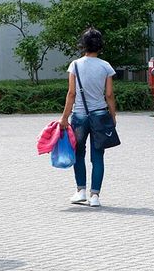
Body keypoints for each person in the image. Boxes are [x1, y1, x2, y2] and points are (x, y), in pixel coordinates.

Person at [59, 28, 117, 208]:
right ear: (100, 45)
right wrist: (113, 116)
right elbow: (109, 95)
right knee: (98, 155)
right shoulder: (106, 66)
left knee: (78, 153)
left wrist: (64, 118)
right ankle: (95, 196)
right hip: (100, 114)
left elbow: (71, 94)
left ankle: (80, 191)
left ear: (83, 45)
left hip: (80, 116)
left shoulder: (74, 65)